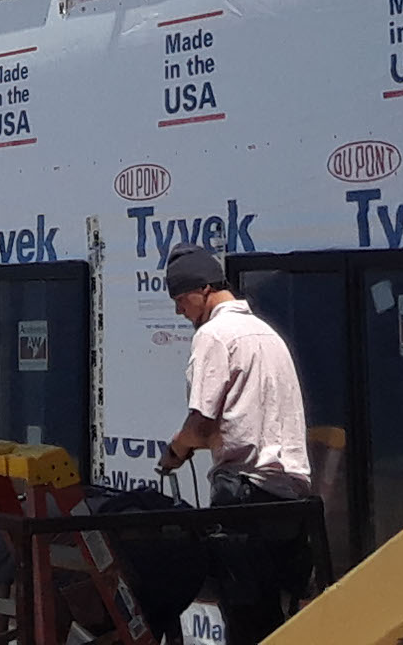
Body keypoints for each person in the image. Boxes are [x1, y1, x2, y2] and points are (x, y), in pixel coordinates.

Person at [153, 245, 313, 641]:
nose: (179, 310)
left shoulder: (214, 335)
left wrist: (176, 450)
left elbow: (202, 425)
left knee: (246, 622)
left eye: (180, 298)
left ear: (203, 288)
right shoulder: (267, 334)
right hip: (290, 500)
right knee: (284, 623)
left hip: (245, 498)